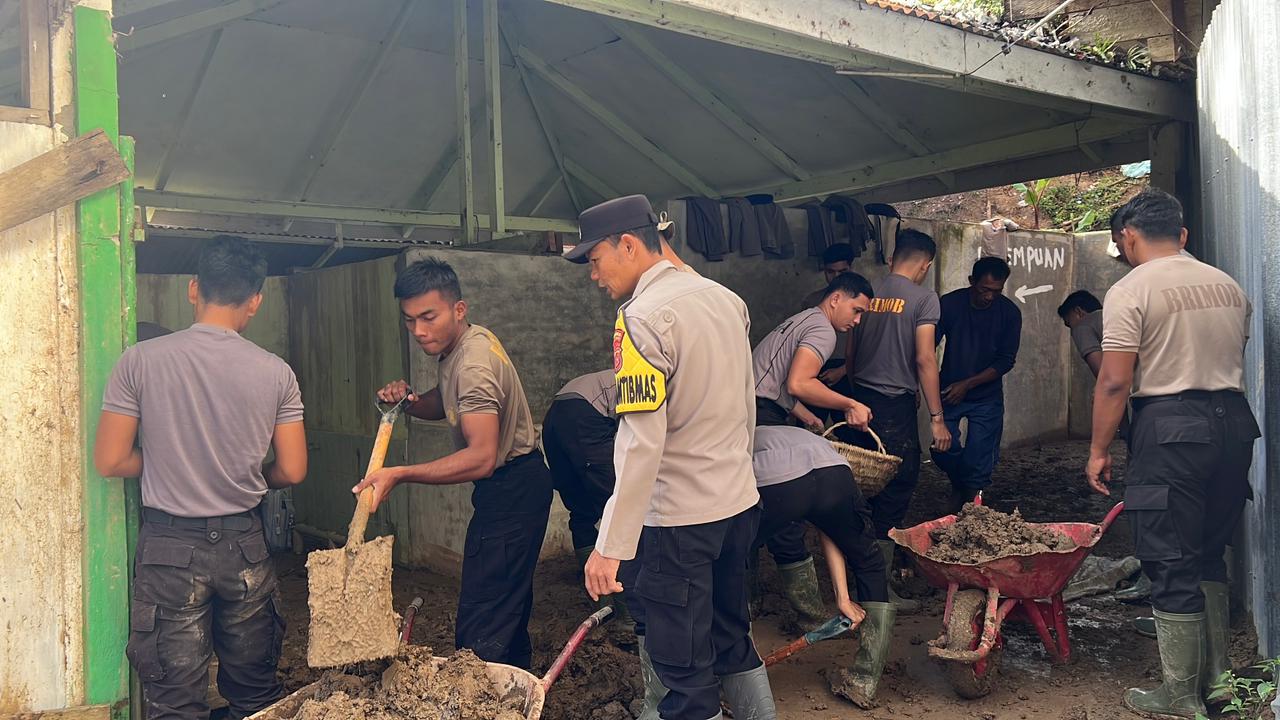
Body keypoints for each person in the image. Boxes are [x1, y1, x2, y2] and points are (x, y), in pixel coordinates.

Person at [568, 194, 775, 720]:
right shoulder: (727, 299)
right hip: (735, 507)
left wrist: (610, 544)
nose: (594, 276)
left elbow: (641, 440)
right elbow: (746, 405)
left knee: (682, 671)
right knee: (732, 636)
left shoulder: (640, 318)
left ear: (630, 245)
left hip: (678, 523)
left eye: (595, 261)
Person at [94, 236, 308, 720]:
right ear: (255, 299)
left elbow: (110, 460)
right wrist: (251, 474)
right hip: (245, 548)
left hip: (170, 551)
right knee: (256, 699)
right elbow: (292, 470)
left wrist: (168, 460)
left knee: (173, 704)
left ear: (194, 289)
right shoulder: (277, 373)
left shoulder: (140, 361)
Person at [1085, 189, 1259, 719]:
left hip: (1171, 427)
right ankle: (1220, 683)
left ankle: (1180, 695)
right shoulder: (1229, 286)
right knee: (1210, 550)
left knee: (1168, 556)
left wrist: (1098, 449)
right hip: (1233, 425)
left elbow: (1115, 382)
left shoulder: (1130, 289)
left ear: (1128, 237)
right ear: (1182, 235)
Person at [355, 258, 553, 670]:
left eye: (429, 317)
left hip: (510, 489)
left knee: (482, 621)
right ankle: (514, 692)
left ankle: (483, 699)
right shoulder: (463, 345)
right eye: (410, 321)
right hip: (518, 486)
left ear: (458, 309)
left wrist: (401, 473)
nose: (419, 331)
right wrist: (408, 402)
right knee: (505, 605)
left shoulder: (473, 364)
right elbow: (449, 405)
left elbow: (481, 458)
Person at [750, 272, 875, 627]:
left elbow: (776, 385)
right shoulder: (823, 330)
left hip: (754, 411)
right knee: (784, 514)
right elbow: (798, 382)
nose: (856, 320)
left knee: (750, 507)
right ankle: (809, 612)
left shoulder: (800, 320)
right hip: (761, 414)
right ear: (835, 299)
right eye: (856, 310)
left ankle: (745, 602)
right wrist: (850, 403)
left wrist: (807, 417)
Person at [845, 228, 951, 613]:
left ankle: (857, 576)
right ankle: (876, 590)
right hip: (893, 406)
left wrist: (855, 391)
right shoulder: (924, 298)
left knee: (859, 488)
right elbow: (925, 358)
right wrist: (937, 418)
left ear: (893, 258)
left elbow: (852, 349)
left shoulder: (868, 292)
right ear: (925, 265)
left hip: (860, 401)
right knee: (897, 486)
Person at [751, 425, 894, 708]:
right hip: (834, 475)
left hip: (776, 483)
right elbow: (830, 525)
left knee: (730, 561)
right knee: (869, 562)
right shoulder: (819, 444)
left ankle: (734, 678)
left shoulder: (746, 434)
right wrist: (842, 597)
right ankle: (864, 681)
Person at [933, 256, 1022, 510]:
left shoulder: (1010, 313)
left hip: (987, 397)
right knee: (942, 450)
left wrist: (968, 384)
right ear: (972, 281)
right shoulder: (949, 304)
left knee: (980, 456)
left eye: (997, 291)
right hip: (948, 392)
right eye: (984, 289)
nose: (989, 296)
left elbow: (1006, 361)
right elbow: (928, 348)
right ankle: (959, 485)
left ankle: (972, 508)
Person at [800, 243, 857, 398]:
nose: (836, 277)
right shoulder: (812, 301)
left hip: (850, 370)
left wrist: (843, 370)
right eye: (830, 272)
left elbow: (871, 346)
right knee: (812, 421)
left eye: (842, 271)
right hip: (815, 368)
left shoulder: (863, 304)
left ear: (851, 269)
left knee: (848, 421)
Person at [1057, 290, 1105, 378]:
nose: (1072, 332)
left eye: (1069, 323)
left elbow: (1105, 379)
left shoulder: (1082, 326)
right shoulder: (1112, 317)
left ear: (1078, 312)